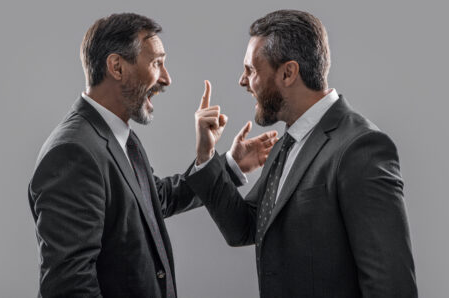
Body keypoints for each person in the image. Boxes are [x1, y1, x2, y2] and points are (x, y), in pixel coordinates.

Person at [28, 13, 277, 298]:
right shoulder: (72, 152)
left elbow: (156, 199)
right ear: (117, 67)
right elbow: (69, 288)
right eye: (157, 63)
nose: (167, 78)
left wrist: (224, 163)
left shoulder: (120, 137)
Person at [187, 9, 418, 297]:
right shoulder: (288, 143)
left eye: (251, 70)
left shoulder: (361, 148)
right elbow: (244, 227)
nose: (242, 81)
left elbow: (391, 286)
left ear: (288, 73)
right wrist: (207, 156)